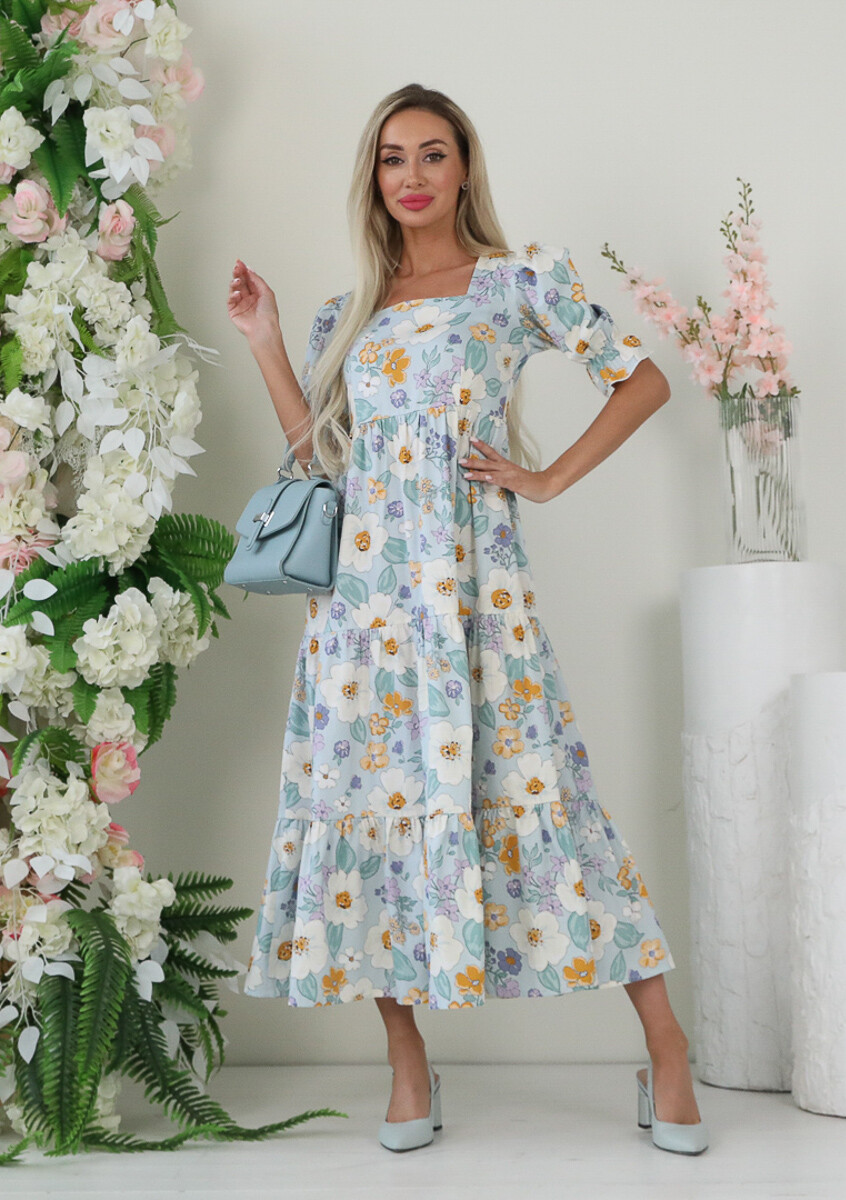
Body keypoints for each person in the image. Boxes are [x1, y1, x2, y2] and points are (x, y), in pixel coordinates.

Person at [227, 82, 708, 1156]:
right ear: (374, 176)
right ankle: (407, 1061)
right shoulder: (347, 313)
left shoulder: (515, 282)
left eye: (432, 154)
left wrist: (546, 479)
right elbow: (325, 461)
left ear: (464, 169)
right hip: (363, 610)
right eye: (392, 157)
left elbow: (641, 383)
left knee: (547, 792)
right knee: (364, 807)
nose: (412, 176)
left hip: (475, 596)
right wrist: (265, 340)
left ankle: (667, 1046)